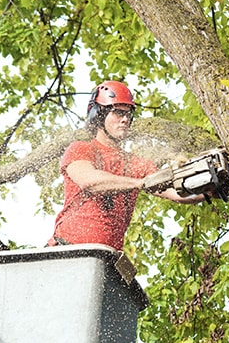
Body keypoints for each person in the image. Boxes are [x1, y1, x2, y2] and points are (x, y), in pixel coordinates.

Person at [48, 80, 209, 250]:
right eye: (118, 113)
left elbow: (176, 193)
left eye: (128, 114)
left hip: (107, 257)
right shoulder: (81, 149)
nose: (125, 119)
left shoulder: (136, 164)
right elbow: (89, 180)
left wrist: (206, 190)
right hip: (67, 251)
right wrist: (138, 183)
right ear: (99, 115)